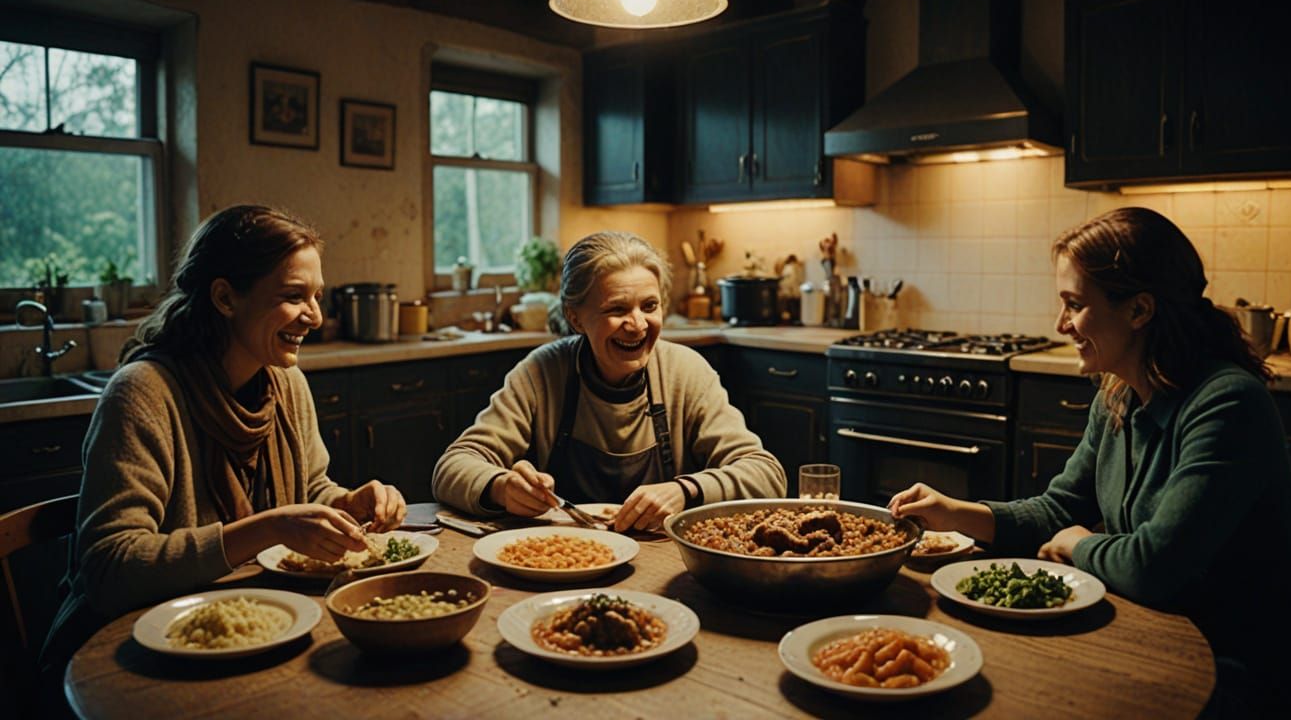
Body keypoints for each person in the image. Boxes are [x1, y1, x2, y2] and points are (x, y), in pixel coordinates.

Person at [888, 206, 1291, 716]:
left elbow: (1153, 567)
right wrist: (955, 512)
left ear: (1139, 310)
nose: (1060, 324)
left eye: (1074, 305)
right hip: (1155, 636)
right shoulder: (1117, 393)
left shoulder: (1227, 404)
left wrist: (1081, 545)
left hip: (1247, 671)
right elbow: (1058, 510)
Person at [40, 205, 406, 681]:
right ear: (225, 298)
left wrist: (348, 503)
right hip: (126, 657)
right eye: (294, 296)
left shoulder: (285, 382)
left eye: (317, 296)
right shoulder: (144, 393)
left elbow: (311, 489)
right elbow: (110, 571)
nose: (314, 317)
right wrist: (267, 528)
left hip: (248, 627)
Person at [432, 230, 785, 532]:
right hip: (564, 557)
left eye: (649, 306)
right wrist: (501, 487)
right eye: (617, 309)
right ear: (576, 318)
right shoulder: (543, 373)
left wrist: (687, 491)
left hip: (666, 560)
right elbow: (452, 467)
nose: (638, 324)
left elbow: (766, 474)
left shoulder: (685, 372)